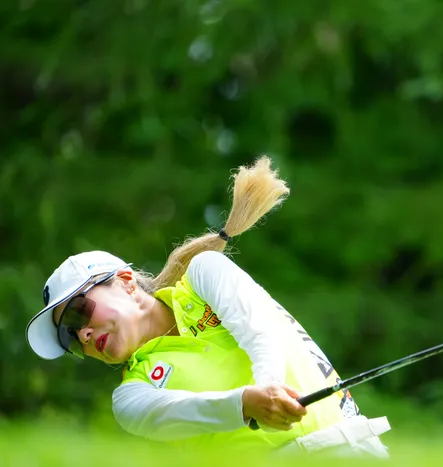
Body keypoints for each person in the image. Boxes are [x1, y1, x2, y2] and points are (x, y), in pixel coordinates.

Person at [25, 157, 391, 457]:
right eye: (69, 337)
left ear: (124, 281)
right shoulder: (129, 398)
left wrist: (270, 387)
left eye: (78, 313)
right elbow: (189, 410)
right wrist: (247, 403)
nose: (83, 335)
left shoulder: (204, 273)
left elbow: (258, 330)